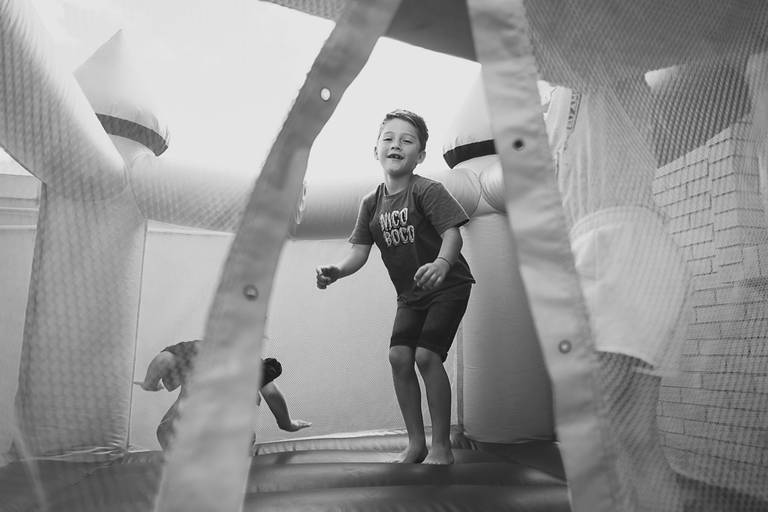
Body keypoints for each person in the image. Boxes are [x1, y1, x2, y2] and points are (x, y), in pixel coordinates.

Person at [545, 77, 692, 511]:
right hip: (625, 254)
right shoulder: (552, 108)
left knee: (588, 424)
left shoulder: (599, 67)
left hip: (618, 244)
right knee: (635, 435)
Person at [315, 109, 474, 465]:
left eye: (407, 140)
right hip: (411, 295)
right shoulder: (371, 203)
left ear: (421, 155)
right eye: (388, 139)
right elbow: (359, 252)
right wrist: (337, 271)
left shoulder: (427, 191)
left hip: (448, 286)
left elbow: (452, 234)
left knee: (426, 356)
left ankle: (442, 446)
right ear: (376, 151)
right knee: (399, 357)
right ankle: (416, 444)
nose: (396, 145)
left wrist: (441, 264)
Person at [136, 339, 311, 450]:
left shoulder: (193, 350)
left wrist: (150, 383)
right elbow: (271, 394)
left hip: (186, 429)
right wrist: (287, 423)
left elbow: (163, 359)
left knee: (167, 429)